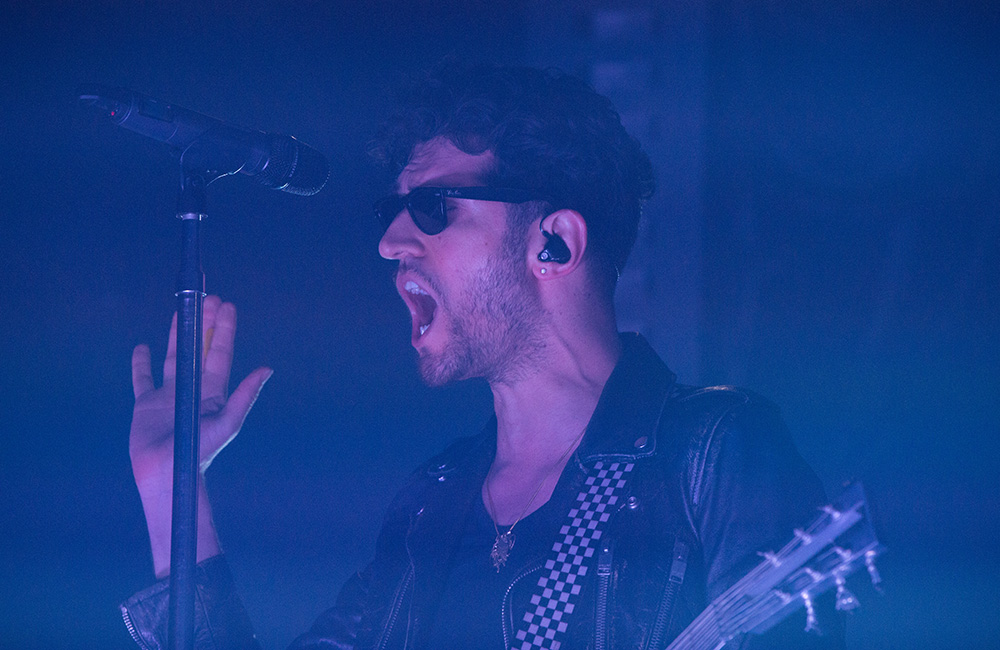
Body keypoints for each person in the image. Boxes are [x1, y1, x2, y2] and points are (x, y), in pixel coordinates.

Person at [122, 61, 843, 649]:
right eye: (392, 212)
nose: (391, 242)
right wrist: (171, 489)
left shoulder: (711, 454)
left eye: (435, 208)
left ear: (554, 241)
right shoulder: (434, 501)